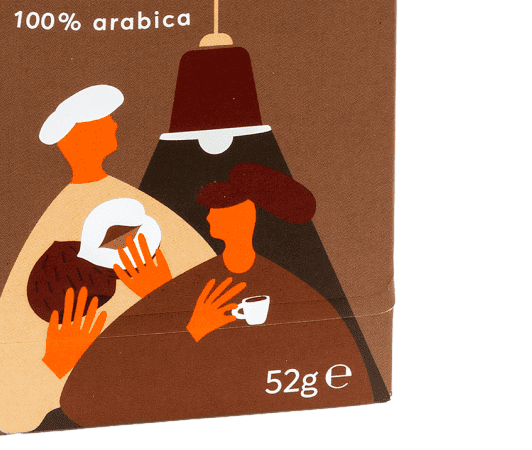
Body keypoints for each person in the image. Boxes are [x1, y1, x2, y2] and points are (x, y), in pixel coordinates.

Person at [60, 163, 377, 426]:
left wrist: (191, 329)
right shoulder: (192, 283)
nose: (209, 216)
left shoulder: (289, 289)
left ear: (246, 216)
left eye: (220, 208)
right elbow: (82, 397)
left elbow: (350, 382)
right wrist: (190, 328)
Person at [0, 84, 214, 434]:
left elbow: (212, 293)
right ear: (81, 136)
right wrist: (55, 364)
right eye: (104, 119)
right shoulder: (59, 226)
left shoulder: (130, 204)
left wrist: (162, 293)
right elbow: (10, 411)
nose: (115, 124)